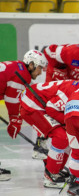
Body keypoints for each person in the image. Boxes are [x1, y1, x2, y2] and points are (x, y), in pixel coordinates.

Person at [19, 79, 79, 188]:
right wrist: (67, 123)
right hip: (32, 103)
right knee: (61, 136)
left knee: (69, 136)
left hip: (43, 103)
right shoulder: (74, 93)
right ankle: (50, 174)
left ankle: (56, 169)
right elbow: (51, 108)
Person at [0, 50, 47, 181]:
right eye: (39, 68)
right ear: (31, 65)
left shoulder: (18, 68)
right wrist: (15, 121)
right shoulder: (22, 74)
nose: (40, 72)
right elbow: (12, 99)